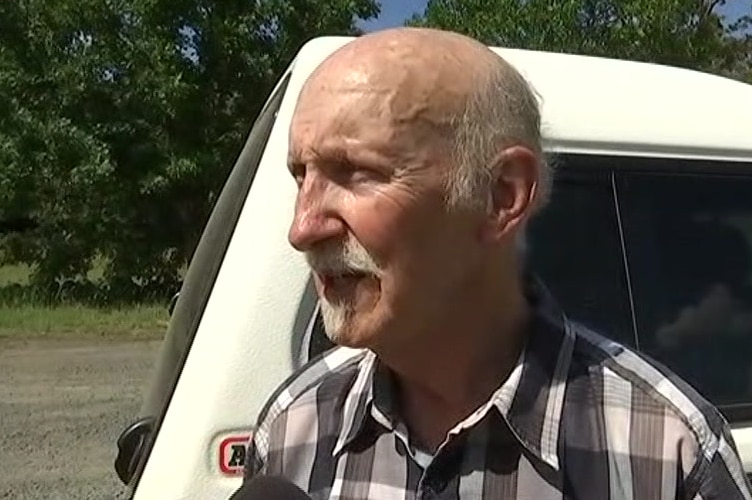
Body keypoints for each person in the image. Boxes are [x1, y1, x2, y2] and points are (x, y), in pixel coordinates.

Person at [242, 27, 752, 499]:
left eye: (354, 172)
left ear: (501, 195)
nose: (302, 229)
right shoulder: (292, 429)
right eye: (299, 176)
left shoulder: (670, 453)